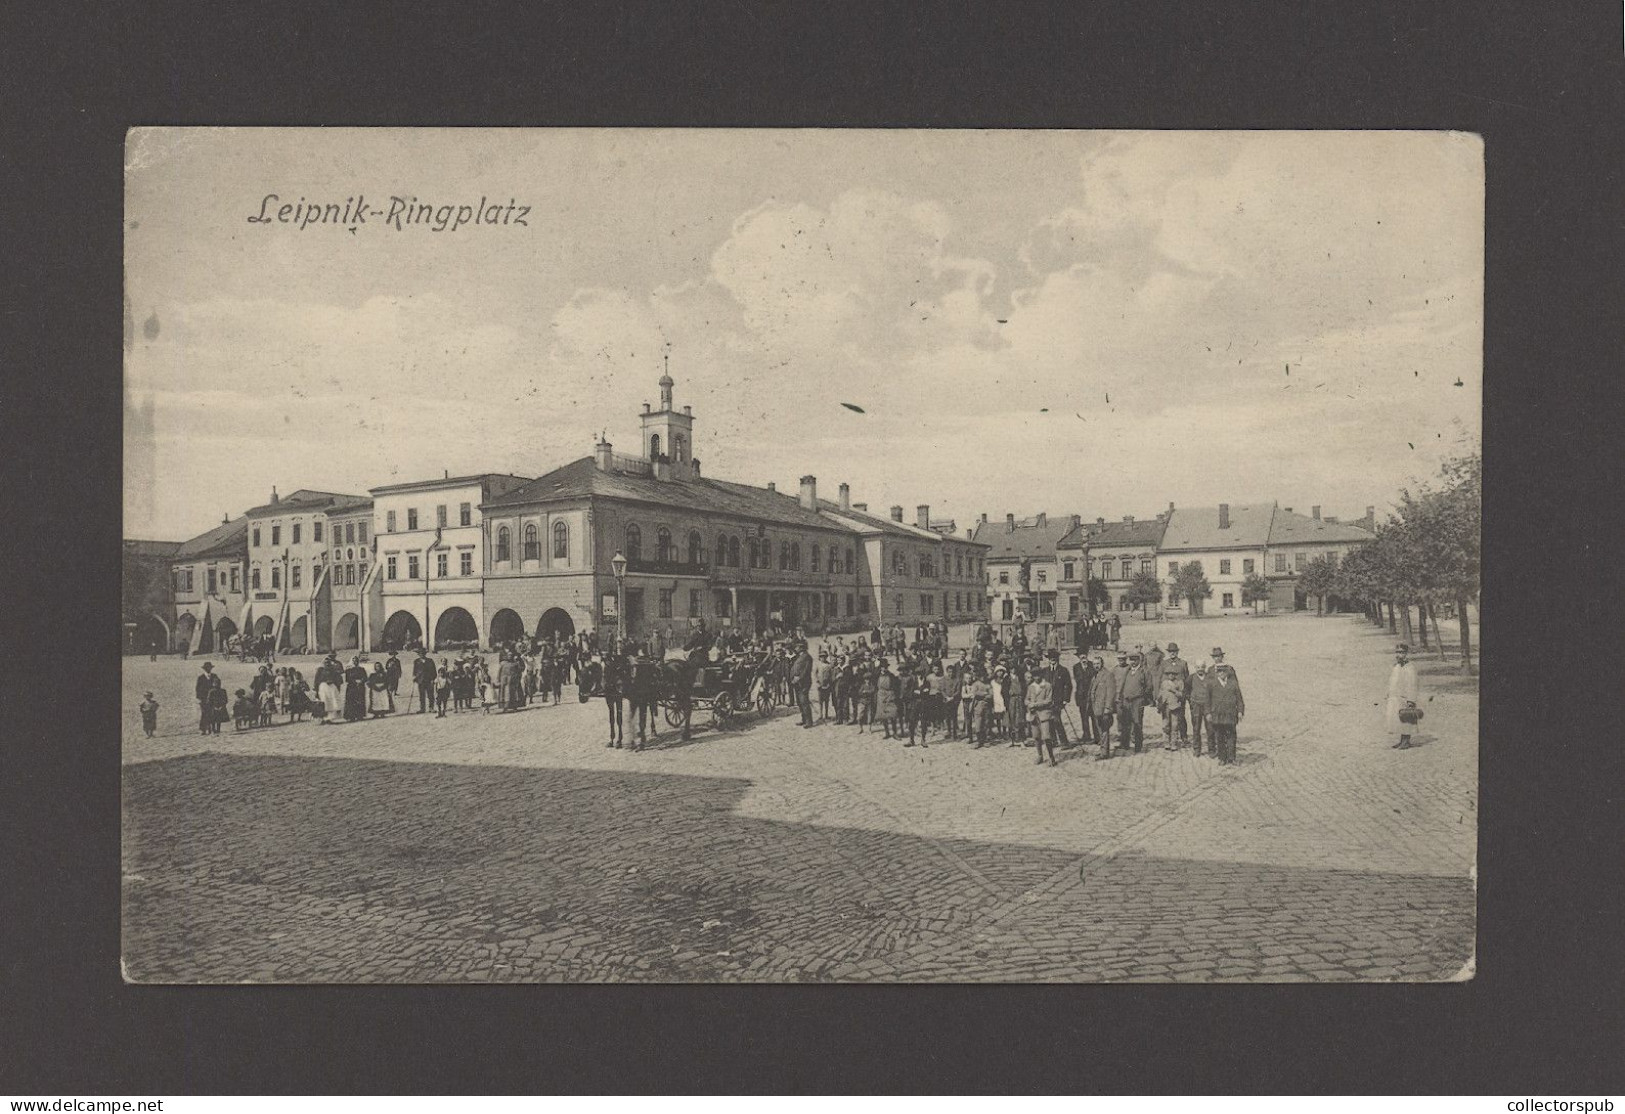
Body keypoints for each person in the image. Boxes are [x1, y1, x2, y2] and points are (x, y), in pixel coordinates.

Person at [1206, 648, 1244, 763]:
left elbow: (1239, 698)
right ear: (1217, 673)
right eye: (1219, 672)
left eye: (1223, 672)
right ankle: (1222, 758)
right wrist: (1208, 712)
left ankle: (1232, 758)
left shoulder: (1233, 684)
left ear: (1227, 672)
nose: (1221, 673)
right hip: (1217, 714)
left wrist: (1240, 711)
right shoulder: (1212, 684)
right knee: (1220, 737)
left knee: (1231, 736)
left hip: (1230, 713)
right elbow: (1208, 699)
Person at [1385, 642, 1422, 749]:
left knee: (1407, 718)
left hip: (1405, 698)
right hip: (1396, 697)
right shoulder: (1396, 666)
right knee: (1398, 719)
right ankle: (1402, 740)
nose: (1398, 655)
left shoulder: (1410, 667)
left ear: (1406, 653)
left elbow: (1412, 684)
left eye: (1401, 652)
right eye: (1397, 652)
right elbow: (1393, 681)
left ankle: (1406, 741)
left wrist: (1411, 700)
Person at [1117, 651, 1153, 754]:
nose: (1133, 662)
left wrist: (1142, 697)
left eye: (1135, 660)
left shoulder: (1144, 671)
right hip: (1126, 700)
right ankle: (1125, 744)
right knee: (1126, 723)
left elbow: (1149, 686)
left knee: (1137, 723)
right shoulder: (1128, 671)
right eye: (1131, 660)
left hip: (1137, 700)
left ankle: (1138, 745)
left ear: (1139, 660)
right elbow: (1123, 685)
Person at [1160, 642, 1191, 748]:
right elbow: (1161, 678)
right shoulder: (1164, 663)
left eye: (1174, 651)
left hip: (1179, 694)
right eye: (1170, 652)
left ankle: (1184, 737)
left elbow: (1187, 679)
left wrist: (1185, 694)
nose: (1172, 653)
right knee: (1167, 719)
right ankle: (1168, 740)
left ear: (1177, 652)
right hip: (1167, 696)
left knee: (1180, 717)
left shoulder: (1183, 663)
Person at [1026, 669, 1058, 767]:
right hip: (1033, 715)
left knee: (1047, 737)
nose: (1036, 678)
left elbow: (1049, 700)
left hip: (1044, 714)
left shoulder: (1047, 685)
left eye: (1037, 675)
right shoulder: (1031, 687)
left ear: (1041, 675)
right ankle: (1040, 755)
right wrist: (1028, 703)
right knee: (1036, 737)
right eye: (1034, 676)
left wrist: (1035, 704)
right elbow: (1026, 699)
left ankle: (1051, 757)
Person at [1088, 655, 1118, 759]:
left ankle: (1105, 753)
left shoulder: (1107, 675)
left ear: (1102, 664)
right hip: (1096, 708)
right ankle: (1103, 750)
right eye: (1094, 664)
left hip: (1103, 709)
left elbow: (1111, 693)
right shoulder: (1095, 675)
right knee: (1100, 730)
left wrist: (1107, 708)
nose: (1096, 666)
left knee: (1104, 730)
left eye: (1098, 663)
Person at [629, 650, 659, 750]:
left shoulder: (647, 667)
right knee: (632, 717)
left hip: (643, 693)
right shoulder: (633, 668)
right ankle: (633, 739)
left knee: (641, 716)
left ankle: (642, 740)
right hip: (635, 692)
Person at [603, 649, 627, 747]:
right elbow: (604, 678)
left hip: (616, 691)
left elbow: (620, 676)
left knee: (618, 715)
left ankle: (619, 739)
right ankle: (612, 738)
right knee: (611, 715)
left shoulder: (617, 666)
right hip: (609, 691)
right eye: (605, 660)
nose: (606, 662)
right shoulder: (606, 668)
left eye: (607, 660)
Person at [1072, 654, 1097, 745]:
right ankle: (1086, 736)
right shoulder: (1076, 667)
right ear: (1079, 658)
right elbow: (1078, 679)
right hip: (1081, 696)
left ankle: (1097, 736)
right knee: (1084, 717)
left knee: (1094, 717)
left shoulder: (1092, 665)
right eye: (1081, 657)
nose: (1083, 658)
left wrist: (1087, 668)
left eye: (1084, 656)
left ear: (1087, 656)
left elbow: (1094, 678)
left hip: (1091, 695)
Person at [1188, 662, 1213, 757]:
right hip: (1196, 706)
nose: (1200, 669)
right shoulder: (1191, 678)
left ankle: (1211, 749)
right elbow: (1186, 690)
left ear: (1205, 667)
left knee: (1210, 728)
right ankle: (1197, 749)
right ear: (1195, 668)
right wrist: (1191, 701)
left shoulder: (1210, 677)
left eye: (1202, 667)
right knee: (1196, 728)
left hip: (1207, 706)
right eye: (1198, 667)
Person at [789, 642, 814, 728]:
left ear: (801, 648)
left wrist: (799, 678)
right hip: (796, 683)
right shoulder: (799, 656)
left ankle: (809, 721)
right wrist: (792, 678)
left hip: (804, 683)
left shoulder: (807, 657)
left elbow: (806, 670)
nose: (795, 649)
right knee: (799, 702)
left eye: (797, 647)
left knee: (804, 702)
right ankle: (804, 719)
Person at [343, 656, 368, 722]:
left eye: (356, 660)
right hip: (352, 687)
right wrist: (355, 681)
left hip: (360, 687)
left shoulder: (362, 669)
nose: (355, 662)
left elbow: (365, 677)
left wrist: (361, 681)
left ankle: (360, 715)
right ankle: (351, 716)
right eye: (354, 660)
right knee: (351, 701)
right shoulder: (348, 670)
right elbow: (347, 679)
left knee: (360, 700)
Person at [195, 662, 216, 735]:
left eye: (209, 668)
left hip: (213, 699)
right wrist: (199, 698)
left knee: (212, 713)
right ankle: (203, 729)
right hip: (204, 699)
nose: (208, 669)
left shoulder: (214, 676)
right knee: (204, 713)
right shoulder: (201, 678)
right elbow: (197, 689)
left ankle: (212, 728)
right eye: (207, 668)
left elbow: (218, 685)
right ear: (204, 669)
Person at [412, 649, 435, 714]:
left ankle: (431, 708)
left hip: (429, 680)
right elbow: (415, 671)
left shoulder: (430, 661)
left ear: (425, 654)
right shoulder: (416, 661)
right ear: (418, 654)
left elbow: (433, 671)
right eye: (420, 654)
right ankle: (422, 708)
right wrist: (415, 678)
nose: (421, 655)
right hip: (420, 681)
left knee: (430, 695)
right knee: (422, 695)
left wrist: (433, 679)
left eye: (422, 653)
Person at [814, 651, 835, 723]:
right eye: (821, 657)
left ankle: (826, 714)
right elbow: (815, 674)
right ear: (819, 658)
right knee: (820, 701)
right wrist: (817, 682)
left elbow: (831, 675)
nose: (823, 658)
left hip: (827, 685)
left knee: (826, 700)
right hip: (820, 684)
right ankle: (820, 714)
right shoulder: (818, 665)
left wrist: (829, 683)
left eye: (824, 657)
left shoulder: (829, 665)